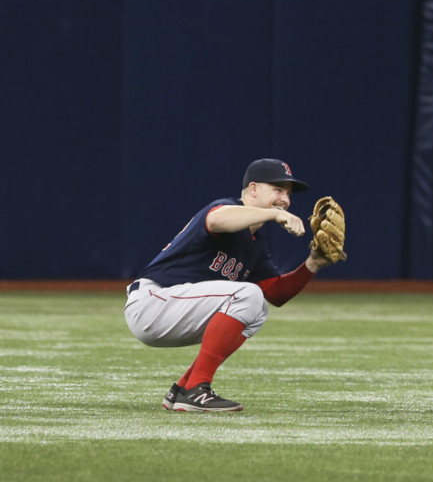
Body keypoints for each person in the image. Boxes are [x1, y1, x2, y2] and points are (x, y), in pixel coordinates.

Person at [124, 158, 339, 412]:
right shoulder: (225, 208)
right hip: (153, 301)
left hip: (173, 308)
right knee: (248, 294)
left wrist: (313, 264)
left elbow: (277, 294)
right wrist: (275, 213)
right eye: (278, 190)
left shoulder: (255, 244)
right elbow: (216, 220)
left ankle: (185, 387)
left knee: (258, 311)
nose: (285, 199)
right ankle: (197, 389)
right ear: (254, 188)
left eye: (288, 194)